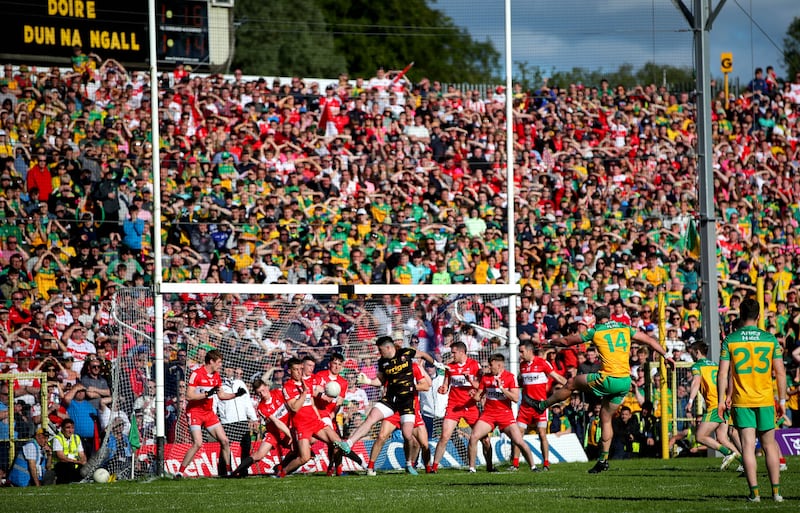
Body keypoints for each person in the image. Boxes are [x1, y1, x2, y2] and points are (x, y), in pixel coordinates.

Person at [531, 305, 674, 473]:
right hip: (624, 382)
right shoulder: (625, 328)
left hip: (608, 379)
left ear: (596, 319)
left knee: (571, 383)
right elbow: (650, 340)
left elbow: (566, 341)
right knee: (605, 417)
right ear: (610, 316)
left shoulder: (596, 331)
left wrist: (547, 342)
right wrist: (667, 355)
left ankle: (542, 405)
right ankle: (602, 460)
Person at [717, 298, 787, 503]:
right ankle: (776, 493)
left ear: (740, 315)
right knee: (769, 445)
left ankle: (755, 494)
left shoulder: (731, 339)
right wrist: (781, 401)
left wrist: (721, 400)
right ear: (758, 316)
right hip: (765, 399)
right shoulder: (770, 339)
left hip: (742, 400)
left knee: (747, 446)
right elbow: (780, 373)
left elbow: (722, 374)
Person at [336, 335, 438, 472]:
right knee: (372, 418)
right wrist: (368, 381)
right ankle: (349, 443)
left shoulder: (406, 353)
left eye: (380, 350)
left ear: (388, 347)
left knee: (408, 436)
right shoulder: (382, 362)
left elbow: (424, 355)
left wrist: (436, 364)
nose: (379, 353)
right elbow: (380, 381)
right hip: (391, 399)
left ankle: (409, 464)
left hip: (407, 402)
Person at [174, 349, 246, 479]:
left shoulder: (216, 376)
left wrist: (236, 395)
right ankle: (180, 472)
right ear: (211, 361)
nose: (220, 365)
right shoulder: (197, 374)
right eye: (219, 362)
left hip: (209, 413)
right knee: (198, 443)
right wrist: (206, 394)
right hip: (195, 412)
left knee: (224, 441)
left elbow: (221, 395)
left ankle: (229, 472)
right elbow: (189, 396)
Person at [280, 358, 358, 476]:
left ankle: (341, 468)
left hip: (315, 421)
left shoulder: (307, 383)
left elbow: (312, 404)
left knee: (337, 442)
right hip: (302, 425)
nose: (299, 372)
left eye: (300, 369)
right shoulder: (287, 387)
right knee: (304, 458)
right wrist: (304, 393)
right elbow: (294, 408)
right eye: (295, 370)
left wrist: (319, 418)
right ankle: (283, 472)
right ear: (290, 372)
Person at [467, 353, 537, 473]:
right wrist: (474, 395)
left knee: (519, 441)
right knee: (473, 437)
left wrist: (502, 389)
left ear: (499, 365)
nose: (489, 368)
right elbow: (479, 397)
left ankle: (533, 467)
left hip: (505, 415)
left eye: (491, 365)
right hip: (488, 414)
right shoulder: (486, 378)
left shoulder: (510, 377)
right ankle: (472, 468)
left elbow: (515, 398)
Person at [362, 357, 431, 475]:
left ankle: (426, 468)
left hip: (411, 409)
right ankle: (370, 467)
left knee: (422, 443)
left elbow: (425, 386)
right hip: (393, 410)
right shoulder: (389, 368)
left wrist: (409, 387)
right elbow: (380, 381)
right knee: (382, 436)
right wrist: (368, 381)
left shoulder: (413, 367)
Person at [430, 341, 490, 473]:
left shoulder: (474, 365)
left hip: (470, 406)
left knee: (485, 438)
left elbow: (481, 386)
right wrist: (443, 389)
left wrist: (470, 382)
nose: (452, 355)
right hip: (454, 406)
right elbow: (446, 385)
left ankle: (489, 466)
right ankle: (434, 467)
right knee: (445, 436)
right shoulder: (450, 367)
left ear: (462, 352)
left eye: (454, 352)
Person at [685, 341, 741, 469]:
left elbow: (696, 382)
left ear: (697, 352)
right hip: (725, 403)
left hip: (715, 405)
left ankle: (729, 453)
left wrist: (690, 400)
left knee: (700, 436)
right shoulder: (716, 365)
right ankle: (744, 462)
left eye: (692, 353)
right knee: (722, 438)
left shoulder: (697, 366)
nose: (692, 355)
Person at [513, 339, 567, 470]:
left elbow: (557, 377)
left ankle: (546, 464)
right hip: (525, 407)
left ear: (530, 351)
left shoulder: (542, 363)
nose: (520, 354)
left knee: (542, 434)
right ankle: (515, 464)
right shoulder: (522, 365)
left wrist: (570, 385)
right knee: (518, 434)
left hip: (540, 407)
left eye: (522, 351)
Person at [229, 378, 292, 478]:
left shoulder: (279, 393)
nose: (262, 394)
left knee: (299, 449)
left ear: (267, 387)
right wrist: (290, 435)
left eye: (263, 390)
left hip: (288, 429)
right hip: (274, 433)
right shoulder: (261, 407)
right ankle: (236, 472)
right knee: (259, 455)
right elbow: (276, 422)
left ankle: (280, 467)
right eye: (259, 393)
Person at [311, 352, 349, 476]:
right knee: (312, 441)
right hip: (317, 414)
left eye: (339, 364)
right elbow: (313, 391)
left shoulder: (343, 382)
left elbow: (339, 403)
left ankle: (336, 467)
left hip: (331, 416)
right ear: (329, 364)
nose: (337, 366)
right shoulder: (320, 376)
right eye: (334, 363)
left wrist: (332, 415)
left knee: (335, 444)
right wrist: (321, 394)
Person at [52, 418, 86, 484]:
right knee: (68, 466)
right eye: (68, 428)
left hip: (75, 463)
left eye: (72, 428)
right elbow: (61, 457)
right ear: (62, 428)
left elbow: (82, 454)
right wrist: (77, 461)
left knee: (85, 467)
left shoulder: (76, 438)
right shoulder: (57, 438)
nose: (70, 431)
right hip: (61, 465)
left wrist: (83, 461)